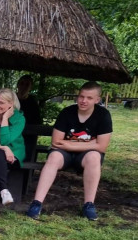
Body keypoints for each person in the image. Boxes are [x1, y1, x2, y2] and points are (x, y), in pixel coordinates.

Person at [26, 81, 112, 221]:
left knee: (94, 157)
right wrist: (91, 143)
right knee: (53, 158)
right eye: (81, 96)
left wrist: (69, 144)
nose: (83, 101)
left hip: (85, 156)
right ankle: (36, 203)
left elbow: (102, 147)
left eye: (89, 98)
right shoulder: (67, 112)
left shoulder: (103, 115)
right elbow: (56, 142)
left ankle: (89, 205)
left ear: (97, 99)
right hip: (64, 154)